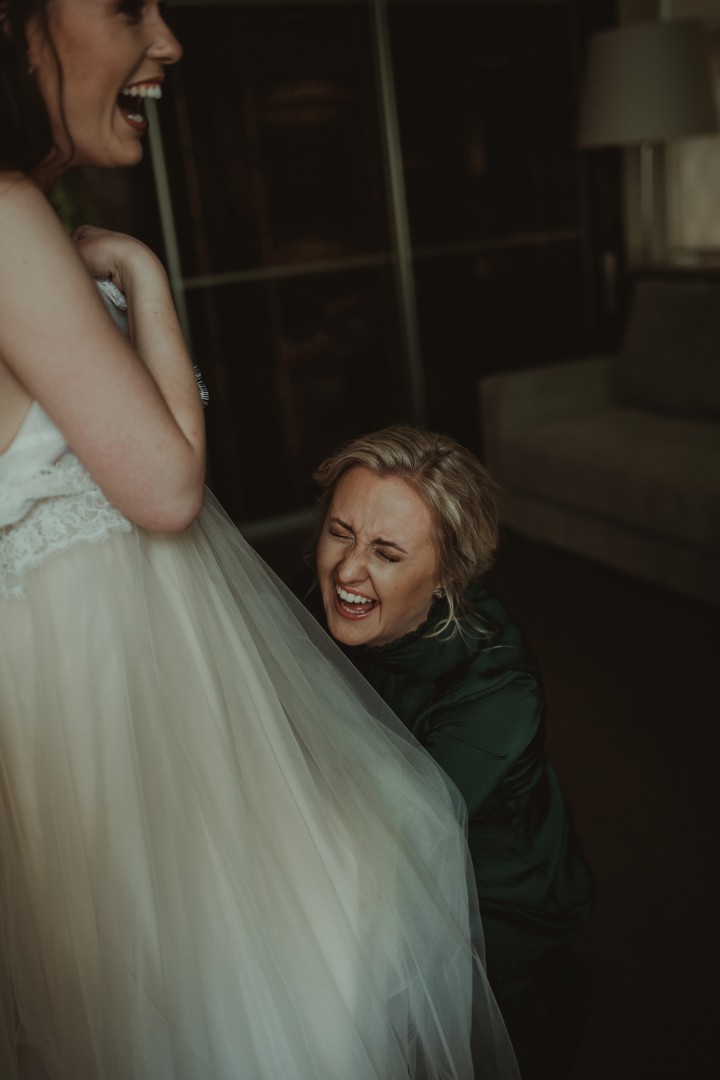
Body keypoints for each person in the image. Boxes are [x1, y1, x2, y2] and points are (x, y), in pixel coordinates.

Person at [0, 3, 520, 1078]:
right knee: (260, 969)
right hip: (108, 690)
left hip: (137, 672)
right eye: (128, 6)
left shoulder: (29, 214)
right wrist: (143, 273)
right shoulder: (5, 215)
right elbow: (166, 486)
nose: (167, 40)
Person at [303, 424, 595, 1079]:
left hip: (490, 889)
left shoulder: (497, 689)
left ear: (447, 578)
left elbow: (385, 842)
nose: (347, 571)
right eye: (340, 533)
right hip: (360, 842)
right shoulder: (327, 597)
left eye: (387, 552)